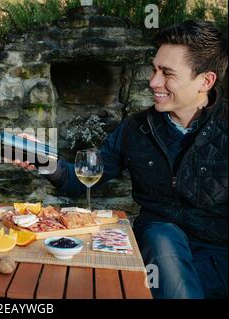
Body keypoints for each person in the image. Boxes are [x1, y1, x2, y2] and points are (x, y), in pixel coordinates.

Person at [15, 20, 227, 299]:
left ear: (206, 81)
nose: (153, 82)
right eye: (154, 69)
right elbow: (84, 178)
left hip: (217, 258)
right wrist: (42, 160)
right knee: (160, 234)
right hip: (156, 250)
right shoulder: (135, 129)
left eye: (167, 73)